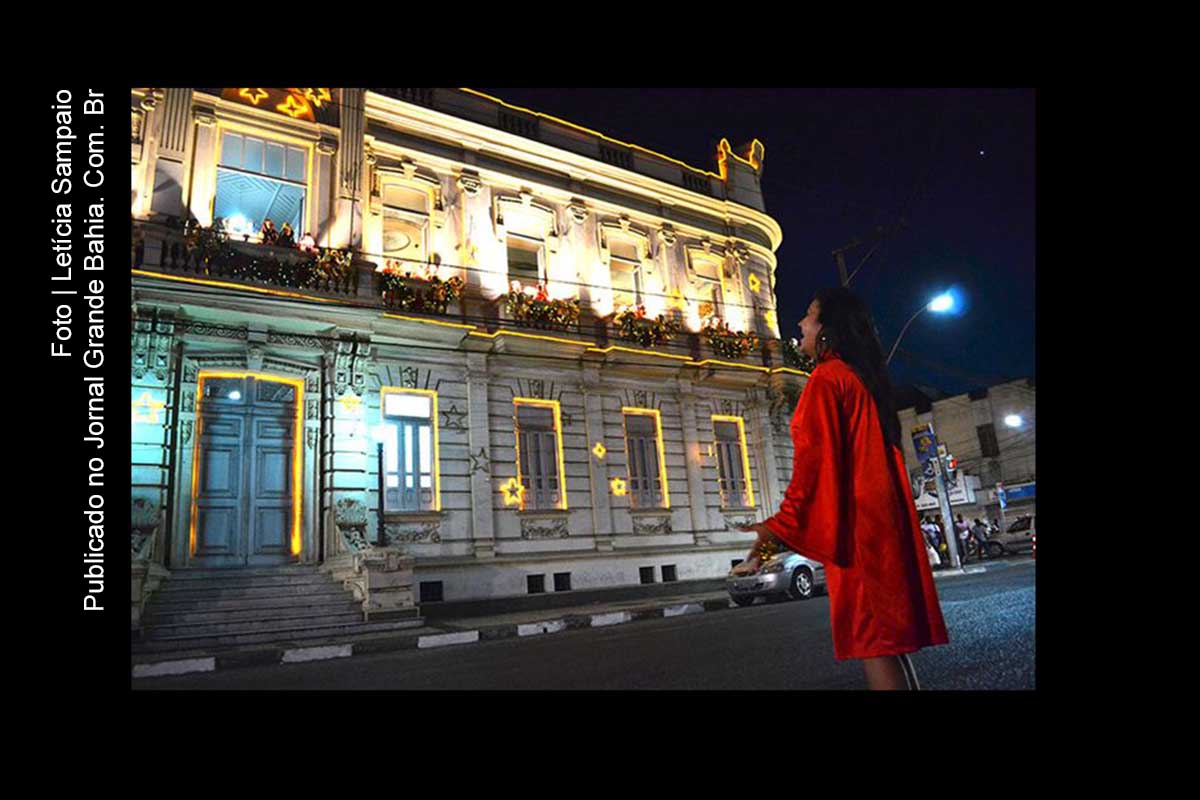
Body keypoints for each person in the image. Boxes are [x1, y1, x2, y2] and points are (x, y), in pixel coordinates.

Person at [731, 288, 949, 690]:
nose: (800, 323)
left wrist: (768, 537)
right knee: (888, 645)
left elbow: (810, 474)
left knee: (874, 644)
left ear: (827, 330)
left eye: (809, 315)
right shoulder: (859, 380)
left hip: (859, 537)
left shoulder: (827, 380)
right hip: (882, 530)